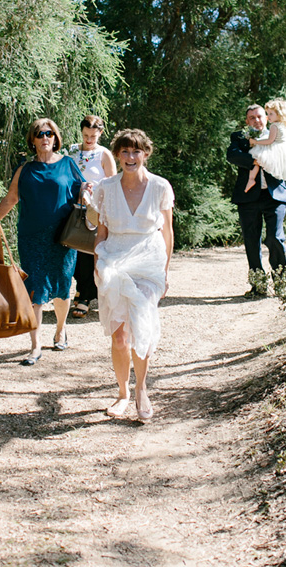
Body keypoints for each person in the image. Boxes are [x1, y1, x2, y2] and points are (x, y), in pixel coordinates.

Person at [92, 129, 174, 423]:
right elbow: (101, 230)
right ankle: (122, 392)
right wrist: (98, 260)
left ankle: (141, 390)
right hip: (113, 259)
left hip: (148, 261)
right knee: (119, 336)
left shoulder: (160, 187)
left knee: (141, 326)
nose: (130, 157)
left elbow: (167, 232)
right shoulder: (105, 187)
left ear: (146, 154)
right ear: (117, 154)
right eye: (124, 152)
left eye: (136, 151)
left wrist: (164, 272)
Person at [0, 118, 85, 365]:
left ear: (56, 138)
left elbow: (82, 193)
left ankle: (60, 329)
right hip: (32, 237)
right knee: (34, 289)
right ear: (33, 140)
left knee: (61, 286)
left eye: (49, 133)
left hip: (63, 237)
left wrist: (88, 193)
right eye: (39, 134)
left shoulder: (68, 164)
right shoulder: (25, 170)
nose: (45, 138)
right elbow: (10, 199)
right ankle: (35, 347)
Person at [226, 104, 286, 298]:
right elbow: (232, 155)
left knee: (274, 237)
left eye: (260, 116)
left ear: (266, 118)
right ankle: (258, 286)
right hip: (248, 198)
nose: (256, 120)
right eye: (252, 117)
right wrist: (256, 160)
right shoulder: (239, 137)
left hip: (275, 195)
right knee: (251, 241)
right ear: (247, 121)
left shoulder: (276, 133)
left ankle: (280, 283)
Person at [67, 115, 116, 318]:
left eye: (93, 136)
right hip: (71, 207)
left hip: (94, 209)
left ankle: (85, 296)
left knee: (88, 251)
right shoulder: (71, 151)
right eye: (86, 135)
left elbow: (112, 184)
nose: (89, 140)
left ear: (100, 134)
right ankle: (79, 290)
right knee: (72, 250)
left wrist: (95, 193)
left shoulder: (104, 154)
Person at [244, 99, 286, 205]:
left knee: (257, 157)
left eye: (271, 114)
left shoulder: (274, 126)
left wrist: (255, 142)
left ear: (279, 114)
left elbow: (270, 140)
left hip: (276, 149)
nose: (268, 116)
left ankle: (251, 179)